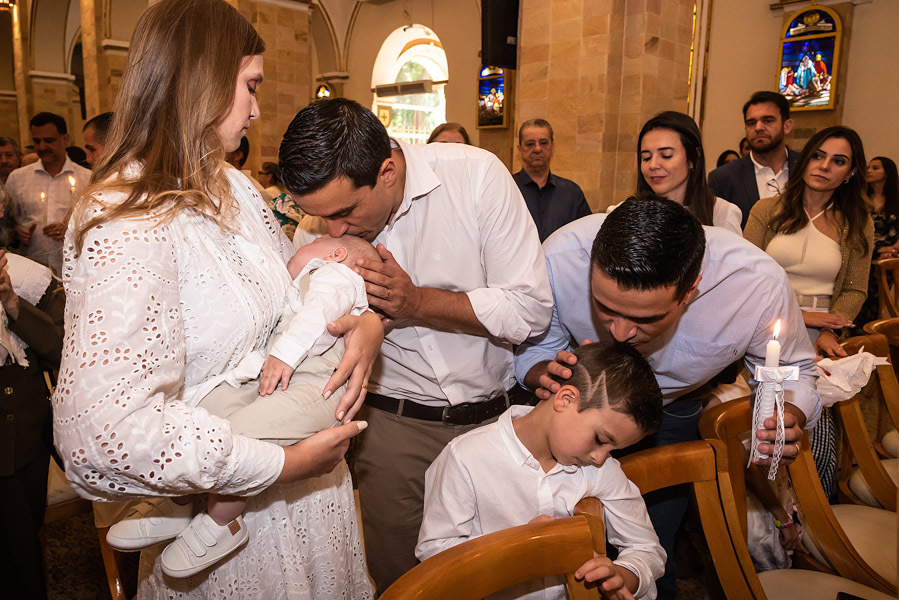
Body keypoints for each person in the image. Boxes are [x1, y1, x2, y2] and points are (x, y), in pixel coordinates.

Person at [52, 1, 381, 597]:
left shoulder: (229, 182)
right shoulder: (124, 219)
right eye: (250, 86)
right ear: (200, 83)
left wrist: (363, 322)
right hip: (229, 533)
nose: (257, 108)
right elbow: (98, 439)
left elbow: (288, 294)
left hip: (308, 507)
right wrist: (279, 465)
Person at [279, 97, 553, 593]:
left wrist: (416, 303)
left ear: (386, 170)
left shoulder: (475, 177)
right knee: (402, 580)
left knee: (499, 577)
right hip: (390, 429)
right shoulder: (318, 226)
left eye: (344, 212)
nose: (333, 231)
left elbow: (529, 311)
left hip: (493, 423)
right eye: (319, 217)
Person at [514, 196, 820, 600]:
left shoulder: (753, 284)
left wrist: (790, 411)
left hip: (674, 416)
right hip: (580, 412)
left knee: (653, 542)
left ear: (691, 291)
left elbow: (796, 370)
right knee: (559, 547)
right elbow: (534, 347)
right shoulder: (561, 257)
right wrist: (543, 371)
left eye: (647, 318)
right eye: (604, 309)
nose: (620, 333)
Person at [104, 235, 379, 578]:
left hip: (318, 386)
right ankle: (180, 502)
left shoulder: (335, 275)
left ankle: (223, 522)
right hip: (281, 376)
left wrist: (282, 354)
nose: (297, 248)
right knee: (205, 419)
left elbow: (317, 317)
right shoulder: (310, 279)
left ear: (335, 254)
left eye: (314, 243)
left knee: (243, 439)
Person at [417, 342, 666, 600]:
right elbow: (435, 556)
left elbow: (647, 548)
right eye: (601, 439)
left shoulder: (601, 469)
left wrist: (622, 575)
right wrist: (517, 551)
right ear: (565, 399)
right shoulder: (466, 457)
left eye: (614, 448)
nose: (600, 457)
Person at [744, 126, 873, 500]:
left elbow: (854, 289)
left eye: (839, 161)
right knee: (759, 415)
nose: (825, 166)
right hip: (763, 326)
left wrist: (829, 331)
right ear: (806, 159)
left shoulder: (856, 220)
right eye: (818, 155)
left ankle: (811, 509)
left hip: (820, 335)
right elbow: (747, 278)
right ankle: (762, 507)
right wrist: (809, 318)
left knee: (810, 418)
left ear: (850, 173)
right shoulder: (767, 210)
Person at [0, 249, 65, 600]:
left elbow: (61, 352)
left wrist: (12, 303)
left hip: (18, 446)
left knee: (20, 561)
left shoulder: (28, 277)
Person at [624, 111, 741, 234]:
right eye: (646, 157)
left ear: (693, 158)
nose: (653, 165)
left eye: (666, 155)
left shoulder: (722, 214)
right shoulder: (625, 213)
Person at [4, 112, 90, 274]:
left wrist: (72, 229)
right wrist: (17, 232)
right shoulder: (18, 178)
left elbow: (97, 225)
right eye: (37, 141)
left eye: (49, 141)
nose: (42, 147)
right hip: (30, 267)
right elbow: (6, 222)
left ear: (65, 139)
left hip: (74, 269)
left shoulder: (86, 178)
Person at [709, 91, 800, 229]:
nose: (758, 128)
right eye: (751, 123)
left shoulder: (806, 168)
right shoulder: (723, 178)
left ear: (787, 126)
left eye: (768, 121)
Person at [513, 118, 592, 242]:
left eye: (543, 143)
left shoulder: (572, 193)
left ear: (552, 147)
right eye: (530, 144)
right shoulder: (508, 188)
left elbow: (588, 236)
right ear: (520, 149)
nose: (537, 149)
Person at [852, 156, 899, 333]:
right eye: (869, 167)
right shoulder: (862, 199)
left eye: (875, 168)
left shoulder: (895, 200)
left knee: (876, 303)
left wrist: (894, 249)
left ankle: (871, 335)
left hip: (886, 259)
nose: (869, 171)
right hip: (864, 254)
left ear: (887, 173)